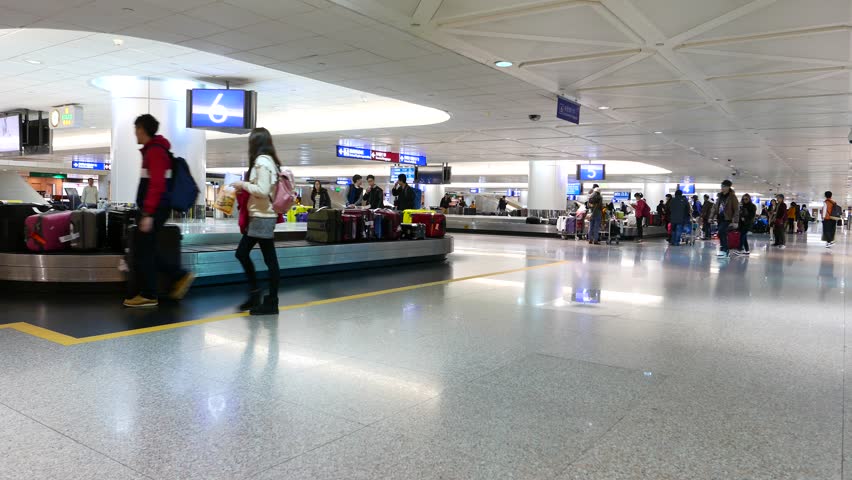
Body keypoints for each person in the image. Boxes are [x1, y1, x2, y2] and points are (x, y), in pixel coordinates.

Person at [123, 114, 194, 308]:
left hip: (155, 209)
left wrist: (148, 214)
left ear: (142, 129)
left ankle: (150, 294)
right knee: (146, 248)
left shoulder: (155, 151)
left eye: (136, 129)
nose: (135, 133)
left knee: (143, 249)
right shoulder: (155, 150)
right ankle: (177, 277)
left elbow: (157, 185)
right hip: (155, 208)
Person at [231, 128, 281, 315]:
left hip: (262, 217)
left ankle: (264, 298)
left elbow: (262, 189)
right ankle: (263, 297)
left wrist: (242, 184)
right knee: (266, 259)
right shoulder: (270, 161)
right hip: (262, 216)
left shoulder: (262, 162)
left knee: (245, 254)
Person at [711, 179, 739, 257]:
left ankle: (725, 250)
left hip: (728, 218)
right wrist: (711, 217)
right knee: (721, 234)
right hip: (720, 218)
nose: (722, 188)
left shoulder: (732, 197)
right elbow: (715, 207)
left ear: (728, 187)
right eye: (722, 186)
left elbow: (736, 209)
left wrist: (735, 221)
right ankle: (723, 249)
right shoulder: (720, 196)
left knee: (721, 232)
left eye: (724, 186)